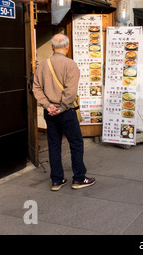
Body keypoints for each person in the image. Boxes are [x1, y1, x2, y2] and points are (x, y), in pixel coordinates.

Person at [33, 34, 95, 191]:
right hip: (66, 111)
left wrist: (47, 105)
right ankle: (79, 178)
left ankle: (56, 180)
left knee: (54, 144)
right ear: (67, 47)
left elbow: (36, 88)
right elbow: (70, 92)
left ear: (52, 47)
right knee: (76, 143)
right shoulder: (70, 64)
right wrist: (61, 108)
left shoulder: (43, 65)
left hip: (49, 111)